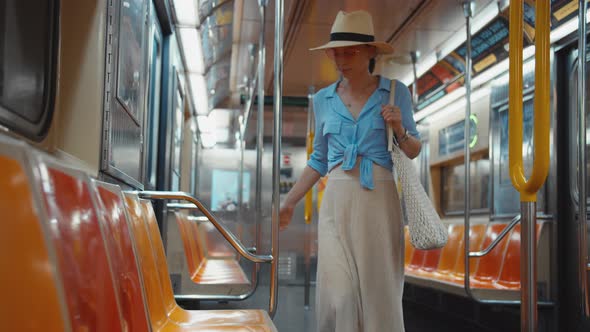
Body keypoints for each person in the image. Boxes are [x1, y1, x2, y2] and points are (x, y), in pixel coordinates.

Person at [279, 10, 421, 332]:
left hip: (379, 201)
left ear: (370, 52)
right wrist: (289, 202)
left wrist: (398, 127)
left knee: (379, 296)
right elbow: (319, 159)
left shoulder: (396, 92)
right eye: (336, 52)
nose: (341, 59)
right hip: (336, 202)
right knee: (338, 296)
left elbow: (412, 150)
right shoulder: (323, 99)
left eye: (350, 51)